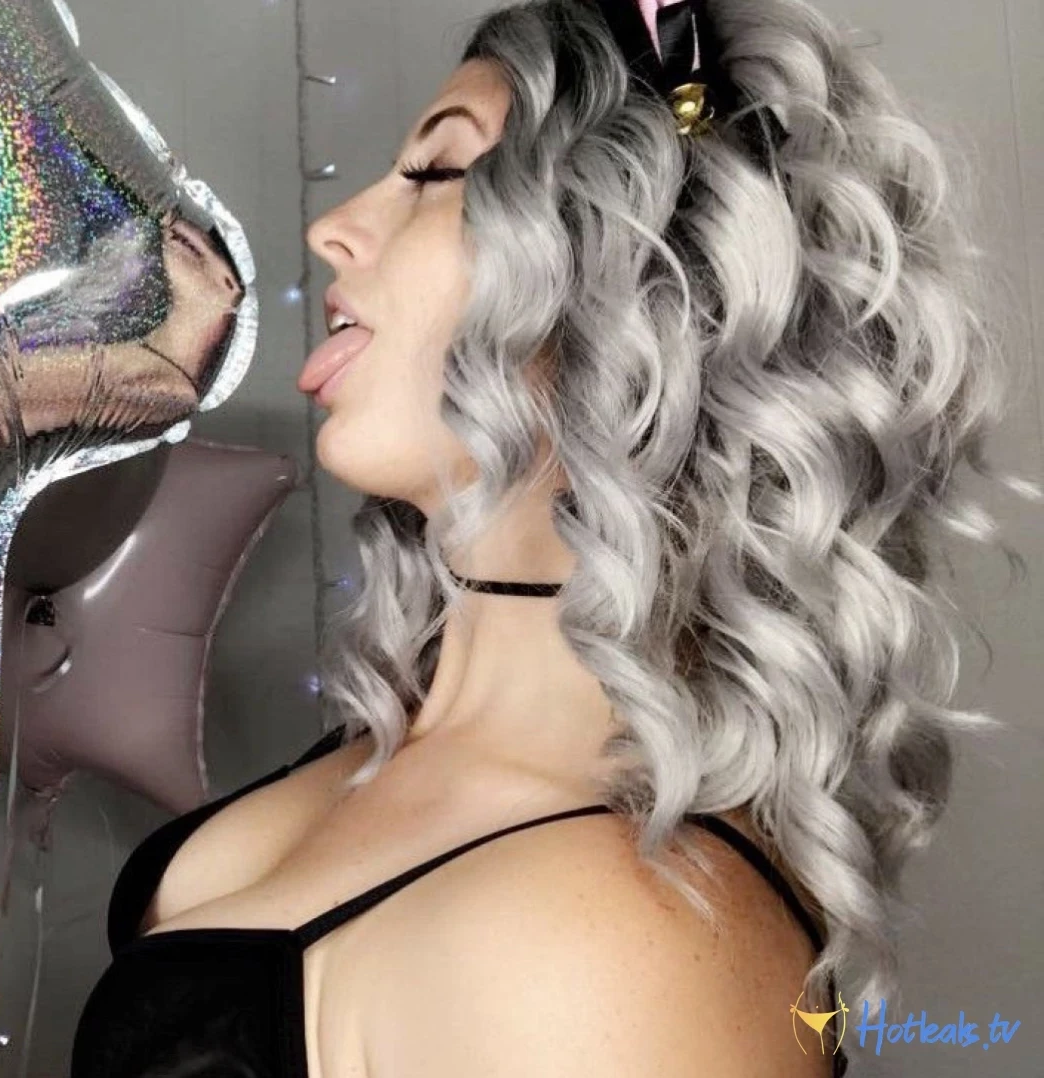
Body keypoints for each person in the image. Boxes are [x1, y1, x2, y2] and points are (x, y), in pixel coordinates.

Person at [69, 0, 1034, 1075]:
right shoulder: (405, 741)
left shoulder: (620, 953)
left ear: (631, 286)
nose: (332, 227)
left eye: (435, 173)